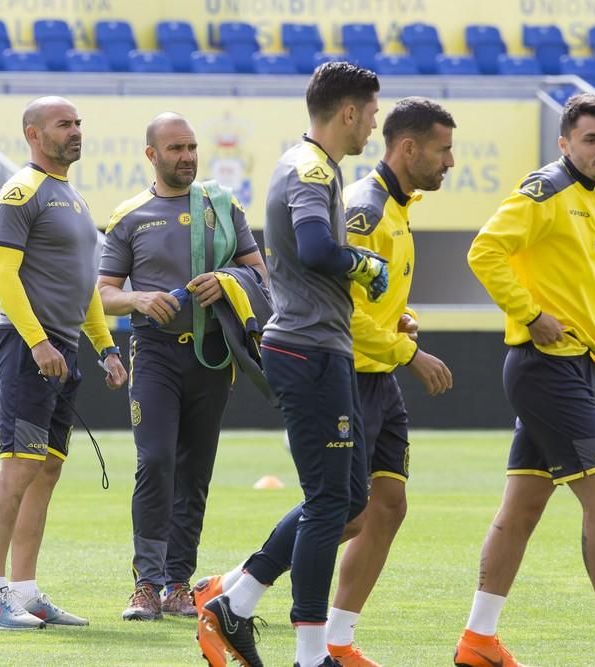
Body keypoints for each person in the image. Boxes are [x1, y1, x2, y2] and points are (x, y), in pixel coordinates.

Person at [196, 61, 387, 667]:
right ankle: (310, 656)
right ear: (349, 111)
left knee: (349, 500)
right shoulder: (308, 168)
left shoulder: (315, 166)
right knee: (331, 502)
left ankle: (237, 598)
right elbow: (315, 248)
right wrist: (364, 264)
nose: (374, 126)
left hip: (321, 346)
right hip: (307, 350)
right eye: (372, 113)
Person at [455, 93, 595, 667]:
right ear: (564, 143)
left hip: (576, 370)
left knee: (521, 510)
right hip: (544, 370)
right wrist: (531, 314)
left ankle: (477, 640)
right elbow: (484, 251)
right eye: (591, 139)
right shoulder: (543, 191)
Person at [0, 96, 128, 631]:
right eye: (65, 124)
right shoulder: (21, 192)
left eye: (79, 122)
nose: (76, 131)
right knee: (19, 466)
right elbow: (0, 276)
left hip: (63, 350)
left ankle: (26, 590)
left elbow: (84, 289)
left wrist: (104, 347)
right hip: (28, 348)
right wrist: (37, 343)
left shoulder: (73, 198)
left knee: (47, 470)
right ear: (35, 134)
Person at [97, 112, 267, 621]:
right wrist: (141, 300)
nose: (187, 157)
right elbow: (103, 295)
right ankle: (146, 584)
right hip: (155, 355)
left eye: (192, 147)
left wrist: (228, 281)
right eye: (175, 149)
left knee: (195, 470)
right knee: (155, 462)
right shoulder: (129, 216)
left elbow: (261, 274)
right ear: (152, 155)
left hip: (213, 356)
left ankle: (177, 583)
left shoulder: (224, 205)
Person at [323, 97, 455, 666]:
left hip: (378, 378)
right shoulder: (365, 209)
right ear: (408, 148)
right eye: (443, 149)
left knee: (389, 504)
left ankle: (339, 639)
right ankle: (232, 587)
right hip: (346, 376)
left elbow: (371, 300)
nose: (450, 161)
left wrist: (400, 321)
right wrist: (410, 351)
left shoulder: (400, 208)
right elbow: (340, 314)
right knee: (346, 512)